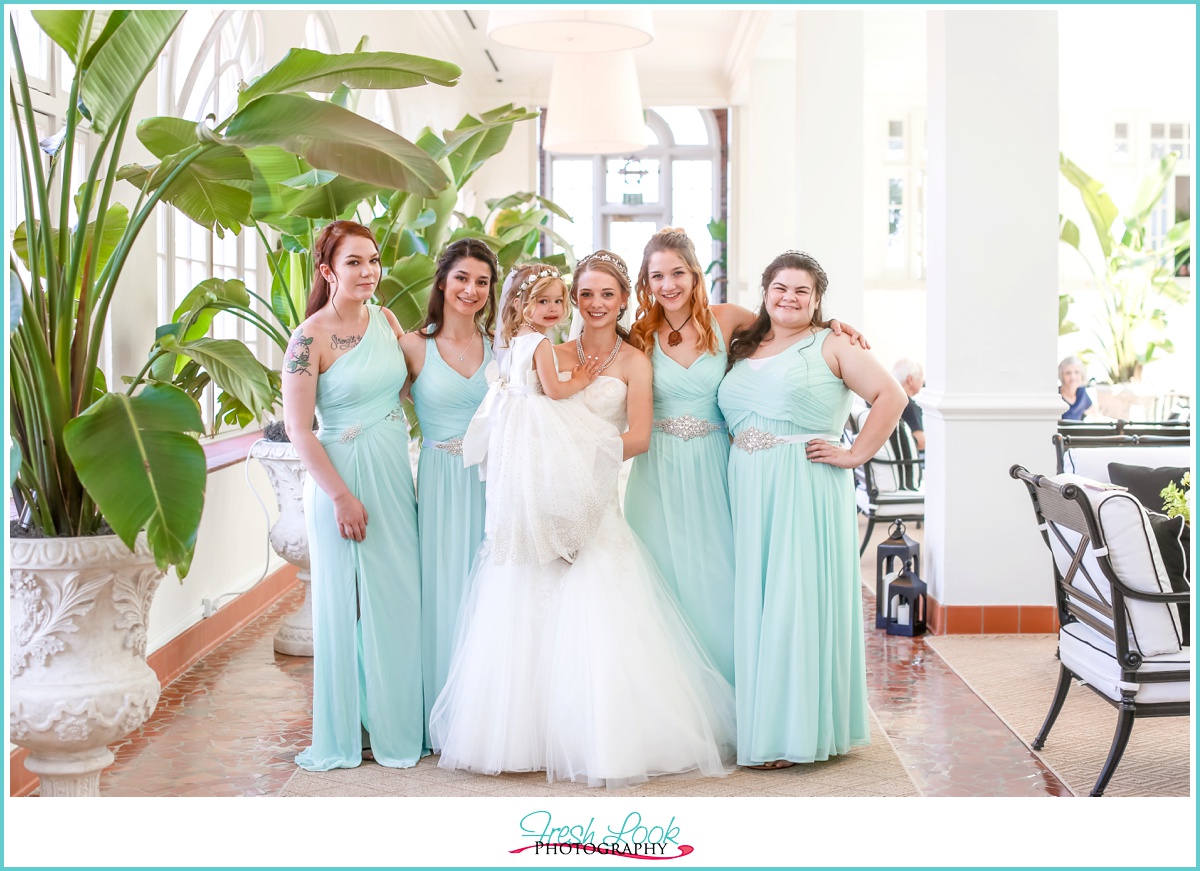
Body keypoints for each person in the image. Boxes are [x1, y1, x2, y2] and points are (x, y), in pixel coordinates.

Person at [431, 254, 736, 788]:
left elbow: (638, 437)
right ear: (570, 300)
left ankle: (598, 736)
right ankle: (526, 736)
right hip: (541, 503)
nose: (595, 305)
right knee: (527, 605)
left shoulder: (634, 362)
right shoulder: (553, 352)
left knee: (601, 610)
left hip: (597, 500)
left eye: (607, 295)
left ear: (624, 300)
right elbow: (522, 421)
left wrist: (576, 464)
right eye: (586, 295)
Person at [624, 228, 869, 684]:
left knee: (721, 580)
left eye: (678, 272)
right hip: (656, 471)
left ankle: (738, 694)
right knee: (657, 579)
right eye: (657, 275)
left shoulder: (731, 319)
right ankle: (673, 692)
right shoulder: (638, 335)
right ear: (646, 281)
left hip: (719, 466)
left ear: (695, 274)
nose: (669, 284)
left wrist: (836, 327)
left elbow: (790, 333)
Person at [717, 250, 906, 770]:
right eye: (780, 287)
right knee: (758, 601)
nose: (789, 298)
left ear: (818, 299)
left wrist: (856, 454)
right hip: (749, 486)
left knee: (792, 600)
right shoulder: (743, 343)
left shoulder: (835, 342)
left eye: (802, 290)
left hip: (803, 484)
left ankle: (791, 731)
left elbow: (890, 396)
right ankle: (762, 718)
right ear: (765, 292)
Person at [284, 220, 423, 770]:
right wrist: (340, 497)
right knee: (342, 606)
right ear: (327, 271)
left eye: (373, 261)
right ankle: (342, 734)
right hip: (337, 477)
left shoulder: (387, 321)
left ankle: (395, 725)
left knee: (398, 598)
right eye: (353, 263)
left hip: (392, 471)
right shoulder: (307, 338)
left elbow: (415, 390)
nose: (368, 272)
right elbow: (298, 429)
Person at [399, 238, 498, 745]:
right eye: (462, 278)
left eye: (482, 281)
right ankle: (441, 716)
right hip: (439, 480)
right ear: (442, 281)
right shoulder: (412, 347)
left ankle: (488, 717)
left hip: (495, 482)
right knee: (443, 590)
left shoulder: (503, 350)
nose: (471, 289)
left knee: (493, 592)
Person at [892, 358, 926, 451]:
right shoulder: (910, 407)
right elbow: (921, 443)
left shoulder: (890, 400)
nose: (923, 381)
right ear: (910, 380)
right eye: (921, 377)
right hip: (905, 460)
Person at [1058, 355, 1093, 420]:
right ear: (1061, 375)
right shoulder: (1056, 395)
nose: (1073, 377)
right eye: (1068, 373)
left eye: (1077, 372)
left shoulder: (1082, 393)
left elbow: (1093, 415)